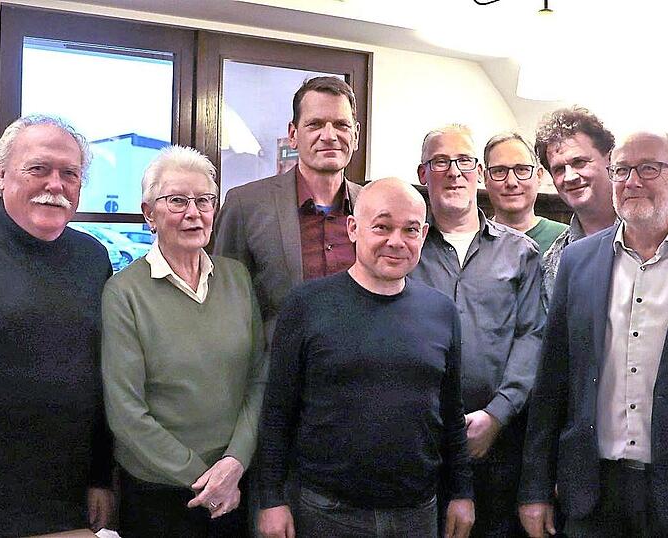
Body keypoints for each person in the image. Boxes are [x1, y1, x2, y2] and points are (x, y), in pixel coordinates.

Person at [519, 131, 668, 537]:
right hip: (590, 489)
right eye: (621, 170)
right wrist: (535, 488)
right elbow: (552, 382)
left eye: (649, 169)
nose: (632, 181)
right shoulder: (577, 261)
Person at [257, 178, 474, 538]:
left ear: (422, 236)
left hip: (417, 512)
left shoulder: (441, 311)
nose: (396, 241)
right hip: (326, 512)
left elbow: (451, 414)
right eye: (382, 227)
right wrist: (271, 499)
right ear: (353, 229)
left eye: (410, 230)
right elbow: (278, 411)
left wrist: (462, 493)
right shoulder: (307, 305)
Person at [0, 114, 114, 537]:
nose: (56, 184)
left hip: (67, 507)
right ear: (1, 175)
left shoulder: (93, 259)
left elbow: (101, 374)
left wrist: (100, 476)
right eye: (38, 168)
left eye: (70, 173)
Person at [101, 145, 267, 537]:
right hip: (159, 495)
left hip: (236, 483)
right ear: (149, 214)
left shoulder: (238, 278)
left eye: (204, 200)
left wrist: (235, 462)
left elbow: (259, 379)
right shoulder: (123, 293)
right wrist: (206, 478)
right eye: (177, 200)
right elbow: (126, 412)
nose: (193, 212)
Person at [411, 124, 545, 537]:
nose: (454, 172)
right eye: (440, 162)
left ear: (479, 172)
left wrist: (497, 414)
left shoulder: (520, 252)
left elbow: (533, 336)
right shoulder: (405, 249)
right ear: (422, 173)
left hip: (499, 445)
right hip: (420, 443)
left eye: (464, 161)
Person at [214, 76, 363, 346]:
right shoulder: (245, 206)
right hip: (277, 379)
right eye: (315, 124)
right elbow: (225, 307)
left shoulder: (372, 209)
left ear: (355, 135)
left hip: (358, 378)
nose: (329, 135)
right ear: (293, 135)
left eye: (341, 125)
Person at [534, 106, 668, 301]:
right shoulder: (556, 259)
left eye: (580, 162)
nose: (570, 177)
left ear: (610, 160)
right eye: (558, 169)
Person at [483, 132, 568, 252]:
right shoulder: (473, 241)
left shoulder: (566, 240)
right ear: (485, 178)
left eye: (522, 169)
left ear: (539, 176)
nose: (511, 182)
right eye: (500, 171)